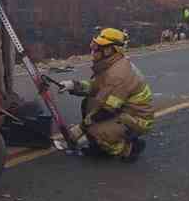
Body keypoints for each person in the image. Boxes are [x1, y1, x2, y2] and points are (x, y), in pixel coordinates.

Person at [58, 28, 155, 162]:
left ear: (110, 50)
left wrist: (81, 128)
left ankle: (128, 148)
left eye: (98, 48)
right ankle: (107, 138)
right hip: (124, 110)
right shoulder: (111, 64)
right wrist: (73, 85)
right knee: (89, 103)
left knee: (94, 132)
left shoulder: (117, 75)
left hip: (137, 118)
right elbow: (95, 87)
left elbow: (107, 110)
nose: (94, 51)